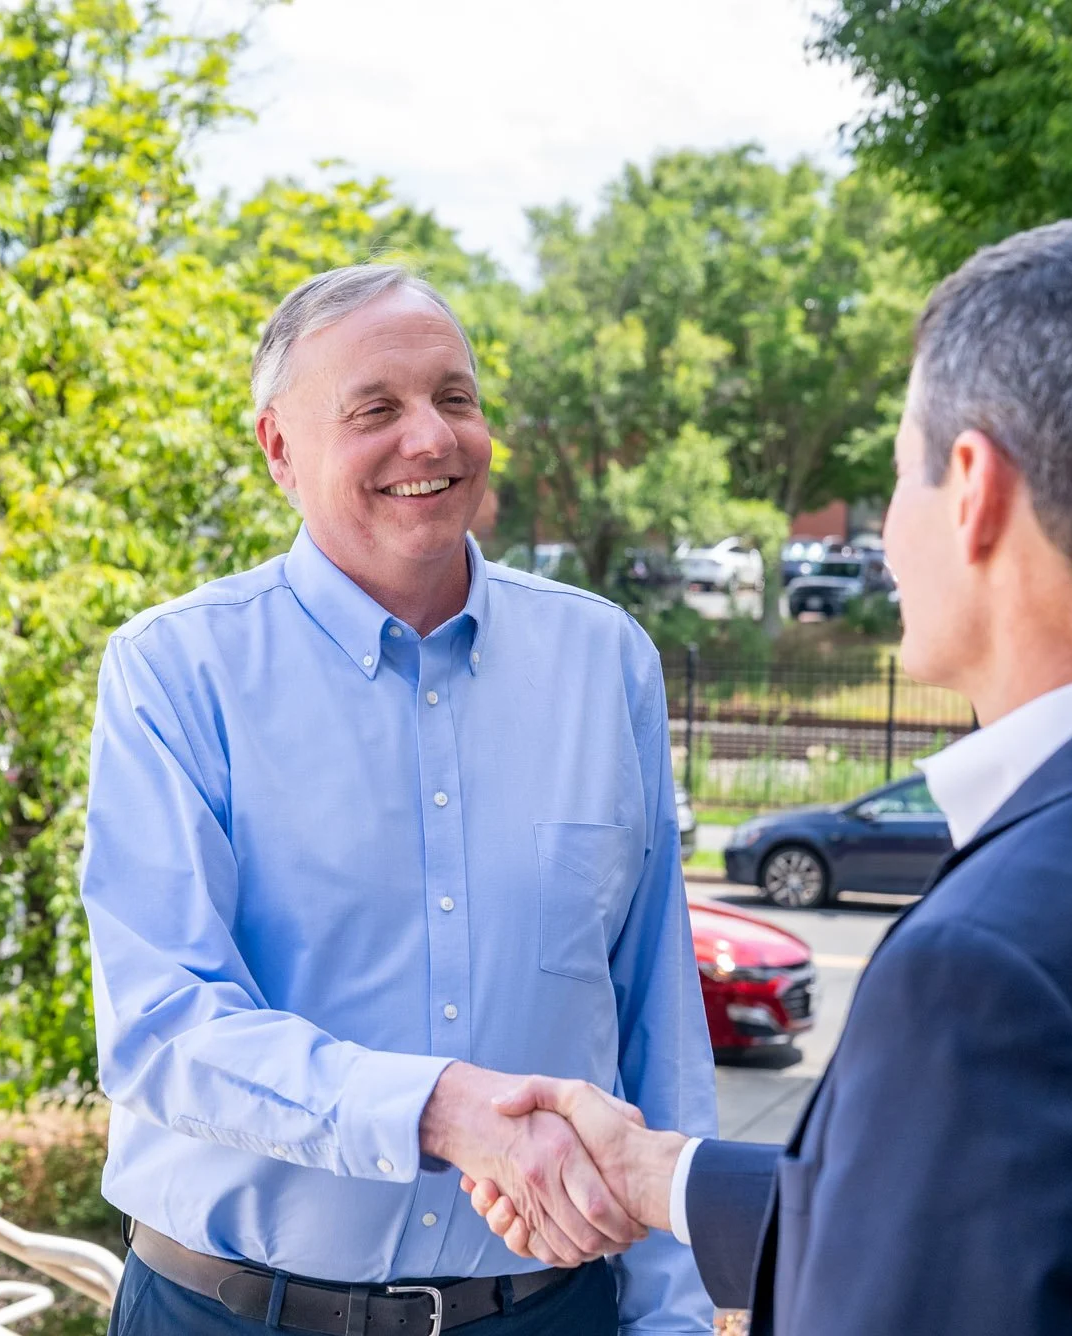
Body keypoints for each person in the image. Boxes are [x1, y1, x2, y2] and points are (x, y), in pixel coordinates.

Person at [463, 208, 1072, 1334]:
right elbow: (1036, 1225)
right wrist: (662, 1175)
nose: (880, 529)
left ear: (970, 488)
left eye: (896, 477)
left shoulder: (993, 966)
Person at [80, 263, 718, 1334]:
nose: (431, 438)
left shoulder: (603, 659)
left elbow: (656, 1020)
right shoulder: (176, 671)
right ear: (278, 449)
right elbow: (161, 1027)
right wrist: (437, 1112)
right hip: (231, 1313)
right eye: (375, 409)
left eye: (453, 398)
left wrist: (673, 1316)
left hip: (547, 1315)